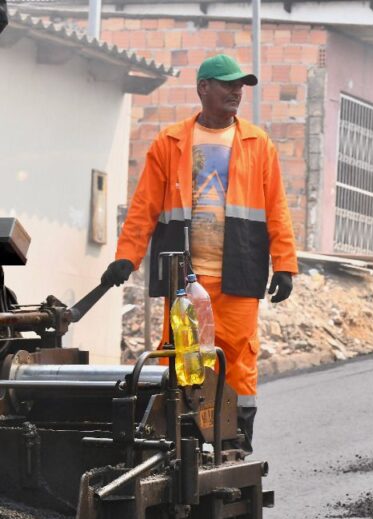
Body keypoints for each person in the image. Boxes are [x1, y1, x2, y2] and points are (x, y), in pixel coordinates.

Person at [102, 54, 298, 449]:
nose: (236, 91)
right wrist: (128, 256)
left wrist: (285, 265)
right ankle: (180, 441)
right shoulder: (170, 142)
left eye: (240, 85)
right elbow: (144, 208)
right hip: (184, 277)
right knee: (180, 359)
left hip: (238, 272)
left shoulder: (258, 144)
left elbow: (276, 207)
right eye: (227, 84)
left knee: (237, 360)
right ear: (203, 88)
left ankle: (234, 440)